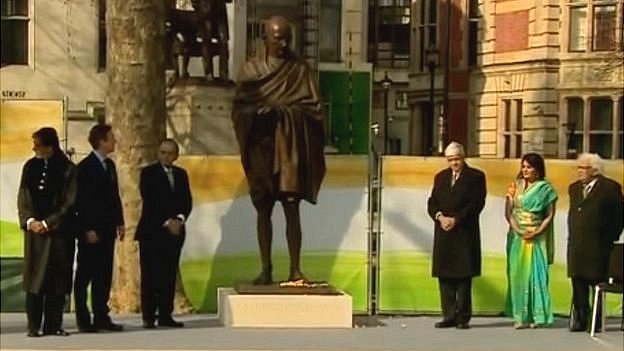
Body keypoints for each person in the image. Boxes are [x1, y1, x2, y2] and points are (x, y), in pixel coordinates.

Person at [231, 15, 326, 285]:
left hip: (290, 147)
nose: (283, 44)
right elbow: (239, 109)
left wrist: (285, 113)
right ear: (265, 39)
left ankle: (295, 269)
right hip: (262, 147)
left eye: (287, 39)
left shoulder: (300, 71)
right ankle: (266, 268)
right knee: (263, 209)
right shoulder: (251, 71)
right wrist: (257, 114)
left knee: (291, 206)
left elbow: (315, 109)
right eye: (277, 39)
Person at [17, 127, 76, 337]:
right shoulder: (30, 167)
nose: (34, 149)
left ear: (49, 147)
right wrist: (30, 221)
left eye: (38, 145)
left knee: (57, 279)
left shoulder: (68, 169)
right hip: (35, 234)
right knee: (35, 278)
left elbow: (70, 201)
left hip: (59, 233)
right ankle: (33, 325)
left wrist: (49, 223)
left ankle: (53, 324)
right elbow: (23, 197)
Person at [427, 142, 486, 329]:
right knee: (445, 277)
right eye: (450, 160)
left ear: (463, 157)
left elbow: (476, 204)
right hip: (443, 232)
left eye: (457, 159)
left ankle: (463, 317)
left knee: (463, 277)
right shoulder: (441, 177)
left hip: (464, 232)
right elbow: (432, 201)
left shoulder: (476, 177)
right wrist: (439, 217)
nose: (454, 163)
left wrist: (456, 219)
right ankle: (449, 315)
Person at [136, 139, 192, 328]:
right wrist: (167, 222)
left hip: (174, 234)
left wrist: (179, 219)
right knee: (150, 275)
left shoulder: (181, 175)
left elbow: (186, 201)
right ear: (158, 153)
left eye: (170, 153)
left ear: (176, 155)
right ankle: (149, 316)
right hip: (152, 232)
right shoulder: (148, 173)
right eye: (163, 152)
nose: (166, 156)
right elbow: (150, 200)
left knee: (168, 274)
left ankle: (165, 315)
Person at [74, 124, 124, 332]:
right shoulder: (85, 167)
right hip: (91, 230)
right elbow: (82, 202)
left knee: (104, 274)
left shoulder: (110, 166)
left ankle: (101, 316)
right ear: (102, 141)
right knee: (86, 274)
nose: (115, 141)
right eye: (111, 138)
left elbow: (114, 197)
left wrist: (119, 221)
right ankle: (83, 319)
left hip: (107, 229)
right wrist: (87, 229)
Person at [567, 153, 623, 332]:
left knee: (596, 281)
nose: (580, 172)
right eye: (579, 168)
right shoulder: (574, 188)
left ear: (595, 170)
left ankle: (596, 320)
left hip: (599, 245)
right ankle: (581, 317)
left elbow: (618, 216)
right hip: (577, 244)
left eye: (584, 168)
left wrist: (610, 237)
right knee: (578, 282)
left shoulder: (610, 188)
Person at [504, 153, 557, 329]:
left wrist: (536, 231)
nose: (525, 170)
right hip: (517, 237)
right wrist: (519, 230)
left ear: (538, 169)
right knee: (517, 275)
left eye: (529, 167)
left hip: (536, 237)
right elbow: (509, 212)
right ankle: (520, 316)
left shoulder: (546, 189)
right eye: (524, 166)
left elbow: (549, 215)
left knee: (537, 276)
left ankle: (537, 316)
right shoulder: (515, 187)